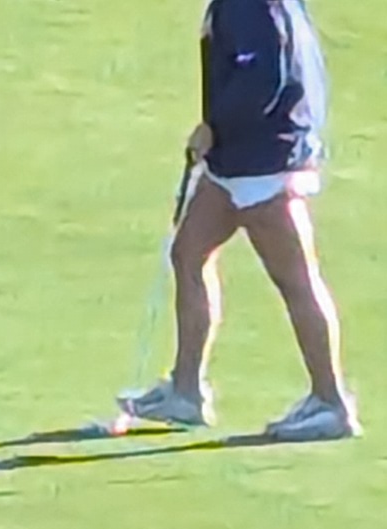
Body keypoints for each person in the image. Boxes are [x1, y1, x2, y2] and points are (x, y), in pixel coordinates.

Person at [120, 0, 356, 441]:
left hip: (262, 161)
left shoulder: (247, 5)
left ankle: (330, 402)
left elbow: (263, 77)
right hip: (237, 158)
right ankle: (186, 391)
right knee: (188, 252)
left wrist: (214, 126)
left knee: (296, 279)